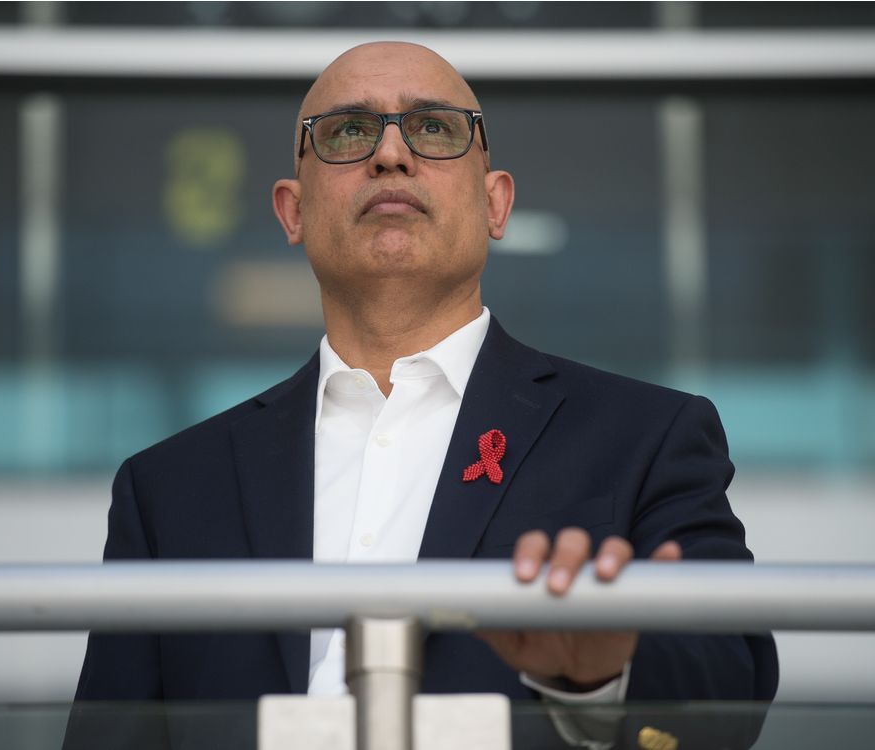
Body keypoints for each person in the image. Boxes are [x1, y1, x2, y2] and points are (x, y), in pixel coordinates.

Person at [64, 42, 777, 749]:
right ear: (293, 212)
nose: (391, 155)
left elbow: (732, 684)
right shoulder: (169, 488)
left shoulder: (644, 435)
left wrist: (601, 680)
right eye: (348, 131)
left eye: (434, 127)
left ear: (495, 203)